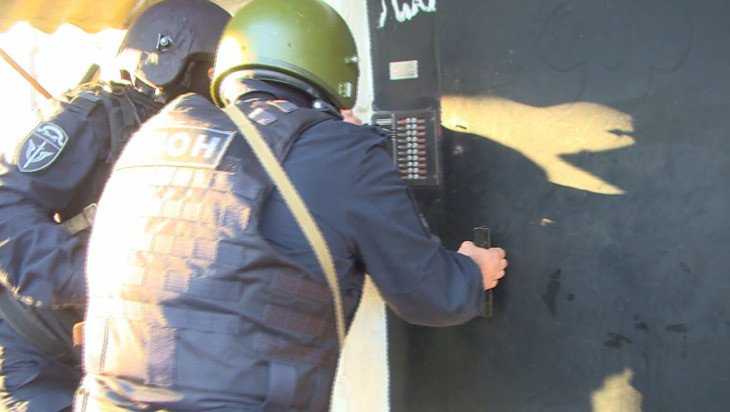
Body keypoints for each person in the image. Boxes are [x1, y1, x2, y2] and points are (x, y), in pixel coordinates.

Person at [78, 0, 508, 410]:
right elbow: (431, 295)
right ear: (334, 71)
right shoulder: (341, 152)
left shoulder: (156, 139)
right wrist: (473, 272)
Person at [0, 1, 230, 410]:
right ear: (172, 58)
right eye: (212, 71)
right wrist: (100, 281)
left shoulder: (211, 141)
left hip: (126, 353)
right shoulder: (94, 116)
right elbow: (7, 208)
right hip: (40, 350)